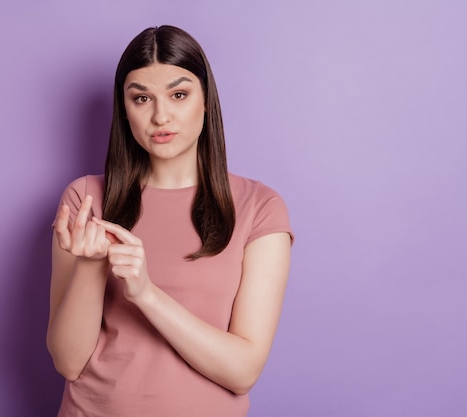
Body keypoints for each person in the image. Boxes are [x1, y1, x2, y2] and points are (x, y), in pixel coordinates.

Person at [47, 25, 293, 417]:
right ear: (124, 109)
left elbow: (243, 371)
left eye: (178, 95)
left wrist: (145, 293)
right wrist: (93, 265)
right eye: (141, 98)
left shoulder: (259, 207)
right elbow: (68, 362)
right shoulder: (85, 199)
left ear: (206, 101)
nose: (160, 115)